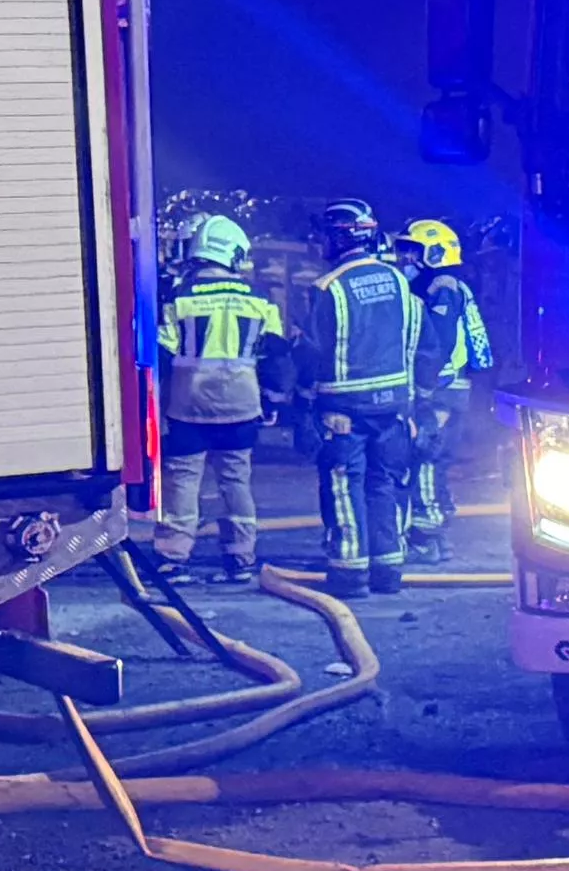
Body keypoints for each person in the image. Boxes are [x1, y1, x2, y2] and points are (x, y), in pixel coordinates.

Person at [290, 197, 430, 594]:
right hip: (395, 408)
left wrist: (302, 404)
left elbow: (312, 353)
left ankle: (351, 573)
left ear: (339, 236)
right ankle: (388, 570)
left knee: (343, 486)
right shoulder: (400, 283)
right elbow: (423, 344)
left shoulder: (327, 288)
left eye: (324, 235)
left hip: (343, 409)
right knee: (384, 484)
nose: (320, 243)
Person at [155, 213, 288, 583]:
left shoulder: (180, 299)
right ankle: (240, 557)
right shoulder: (260, 300)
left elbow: (162, 354)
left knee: (182, 482)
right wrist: (274, 401)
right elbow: (275, 355)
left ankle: (173, 558)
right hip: (242, 408)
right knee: (236, 481)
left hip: (187, 407)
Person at [400, 218, 495, 523]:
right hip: (447, 385)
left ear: (435, 253)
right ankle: (437, 521)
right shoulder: (443, 287)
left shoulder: (442, 288)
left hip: (442, 386)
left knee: (426, 457)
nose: (406, 258)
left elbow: (438, 343)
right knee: (433, 458)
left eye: (413, 251)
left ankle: (428, 534)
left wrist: (425, 386)